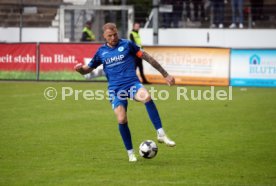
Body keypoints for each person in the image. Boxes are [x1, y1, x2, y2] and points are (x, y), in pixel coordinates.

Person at [74, 23, 176, 162]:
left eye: (115, 34)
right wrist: (80, 69)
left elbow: (147, 57)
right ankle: (131, 153)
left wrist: (165, 74)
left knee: (147, 97)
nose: (113, 37)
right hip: (115, 90)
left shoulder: (128, 45)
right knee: (122, 119)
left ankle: (161, 133)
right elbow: (87, 69)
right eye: (110, 36)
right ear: (104, 36)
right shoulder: (101, 52)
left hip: (132, 84)